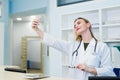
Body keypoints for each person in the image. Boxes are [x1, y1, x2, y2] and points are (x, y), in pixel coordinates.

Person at [32, 17, 115, 80]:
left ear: (88, 24)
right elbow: (54, 42)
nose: (76, 26)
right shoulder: (73, 46)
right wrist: (37, 29)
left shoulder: (101, 46)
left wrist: (89, 69)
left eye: (78, 23)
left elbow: (108, 70)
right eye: (74, 26)